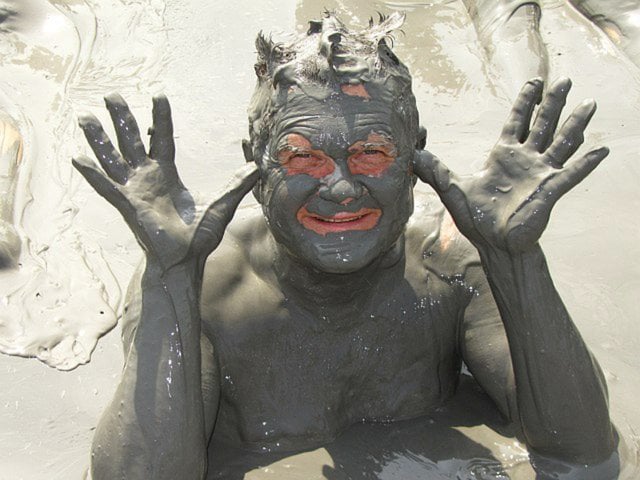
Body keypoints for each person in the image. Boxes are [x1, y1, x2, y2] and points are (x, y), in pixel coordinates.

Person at [73, 12, 618, 479]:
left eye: (372, 154)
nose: (339, 187)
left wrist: (516, 260)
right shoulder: (203, 288)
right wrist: (169, 275)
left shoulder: (453, 264)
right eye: (302, 157)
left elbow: (584, 455)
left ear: (415, 159)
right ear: (257, 165)